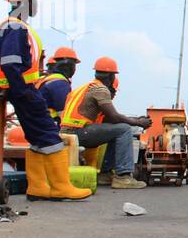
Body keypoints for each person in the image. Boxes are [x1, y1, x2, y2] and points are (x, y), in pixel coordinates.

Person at [0, 0, 91, 201]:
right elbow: (10, 63)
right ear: (23, 2)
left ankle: (38, 187)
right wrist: (23, 90)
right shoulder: (15, 27)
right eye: (33, 0)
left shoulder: (15, 26)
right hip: (23, 91)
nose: (36, 5)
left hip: (21, 90)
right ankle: (60, 187)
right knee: (50, 136)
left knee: (38, 139)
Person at [60, 56, 151, 189]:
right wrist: (138, 122)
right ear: (111, 76)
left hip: (68, 132)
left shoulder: (84, 88)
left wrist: (135, 120)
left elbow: (110, 120)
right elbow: (114, 116)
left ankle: (105, 174)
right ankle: (123, 177)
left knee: (117, 129)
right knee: (124, 129)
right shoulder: (100, 89)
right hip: (77, 132)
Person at [37, 46, 80, 121]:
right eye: (74, 65)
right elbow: (64, 113)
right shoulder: (59, 83)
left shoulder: (48, 80)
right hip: (48, 126)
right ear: (69, 65)